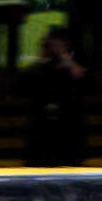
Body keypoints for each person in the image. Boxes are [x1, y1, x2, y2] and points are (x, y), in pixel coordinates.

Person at [23, 26, 92, 167]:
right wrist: (42, 59)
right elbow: (22, 86)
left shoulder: (73, 68)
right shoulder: (39, 70)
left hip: (68, 132)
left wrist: (69, 63)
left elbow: (87, 85)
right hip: (41, 134)